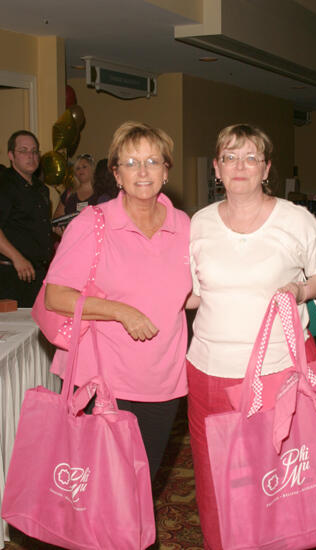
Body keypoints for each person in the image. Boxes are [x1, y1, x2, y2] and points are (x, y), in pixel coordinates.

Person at [186, 123, 316, 550]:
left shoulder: (294, 219)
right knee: (216, 481)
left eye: (251, 157)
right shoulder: (198, 224)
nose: (240, 166)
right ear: (216, 167)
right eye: (230, 157)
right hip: (207, 372)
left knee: (273, 481)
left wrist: (301, 289)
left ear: (266, 167)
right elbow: (194, 296)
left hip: (277, 373)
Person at [44, 121, 192, 481]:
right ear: (117, 174)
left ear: (166, 170)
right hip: (104, 379)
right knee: (106, 486)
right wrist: (120, 312)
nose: (142, 172)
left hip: (163, 379)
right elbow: (55, 295)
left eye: (153, 161)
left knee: (143, 483)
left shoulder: (184, 225)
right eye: (131, 163)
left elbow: (188, 295)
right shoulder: (93, 223)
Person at [0, 130, 53, 307]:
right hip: (12, 273)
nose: (31, 156)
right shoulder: (4, 184)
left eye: (34, 151)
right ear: (11, 155)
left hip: (38, 273)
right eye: (23, 151)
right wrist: (17, 258)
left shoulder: (41, 189)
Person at [52, 153, 97, 219]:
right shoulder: (69, 193)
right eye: (77, 168)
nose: (80, 170)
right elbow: (57, 216)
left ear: (92, 169)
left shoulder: (100, 191)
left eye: (84, 167)